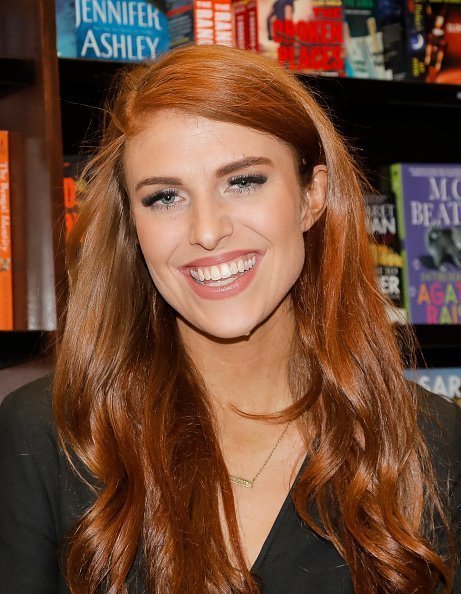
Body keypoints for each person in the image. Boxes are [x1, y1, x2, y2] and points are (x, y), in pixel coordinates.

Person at [0, 43, 460, 594]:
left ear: (312, 196)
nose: (207, 230)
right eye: (165, 197)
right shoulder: (50, 435)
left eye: (243, 182)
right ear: (132, 225)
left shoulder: (429, 440)